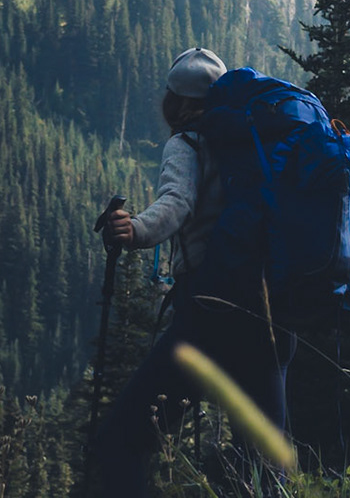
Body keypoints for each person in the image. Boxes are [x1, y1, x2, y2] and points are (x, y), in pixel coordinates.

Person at [91, 47, 298, 496]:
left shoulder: (188, 143)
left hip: (210, 314)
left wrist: (134, 229)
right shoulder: (260, 142)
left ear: (175, 101)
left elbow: (177, 202)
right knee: (263, 464)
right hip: (274, 314)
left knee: (120, 442)